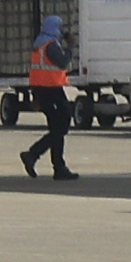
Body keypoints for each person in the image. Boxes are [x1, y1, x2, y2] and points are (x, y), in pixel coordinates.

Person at [19, 15, 80, 180]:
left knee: (57, 127)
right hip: (50, 90)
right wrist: (70, 47)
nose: (62, 31)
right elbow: (63, 62)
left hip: (43, 89)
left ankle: (59, 167)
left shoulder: (39, 43)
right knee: (62, 125)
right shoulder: (50, 45)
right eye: (60, 27)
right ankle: (33, 154)